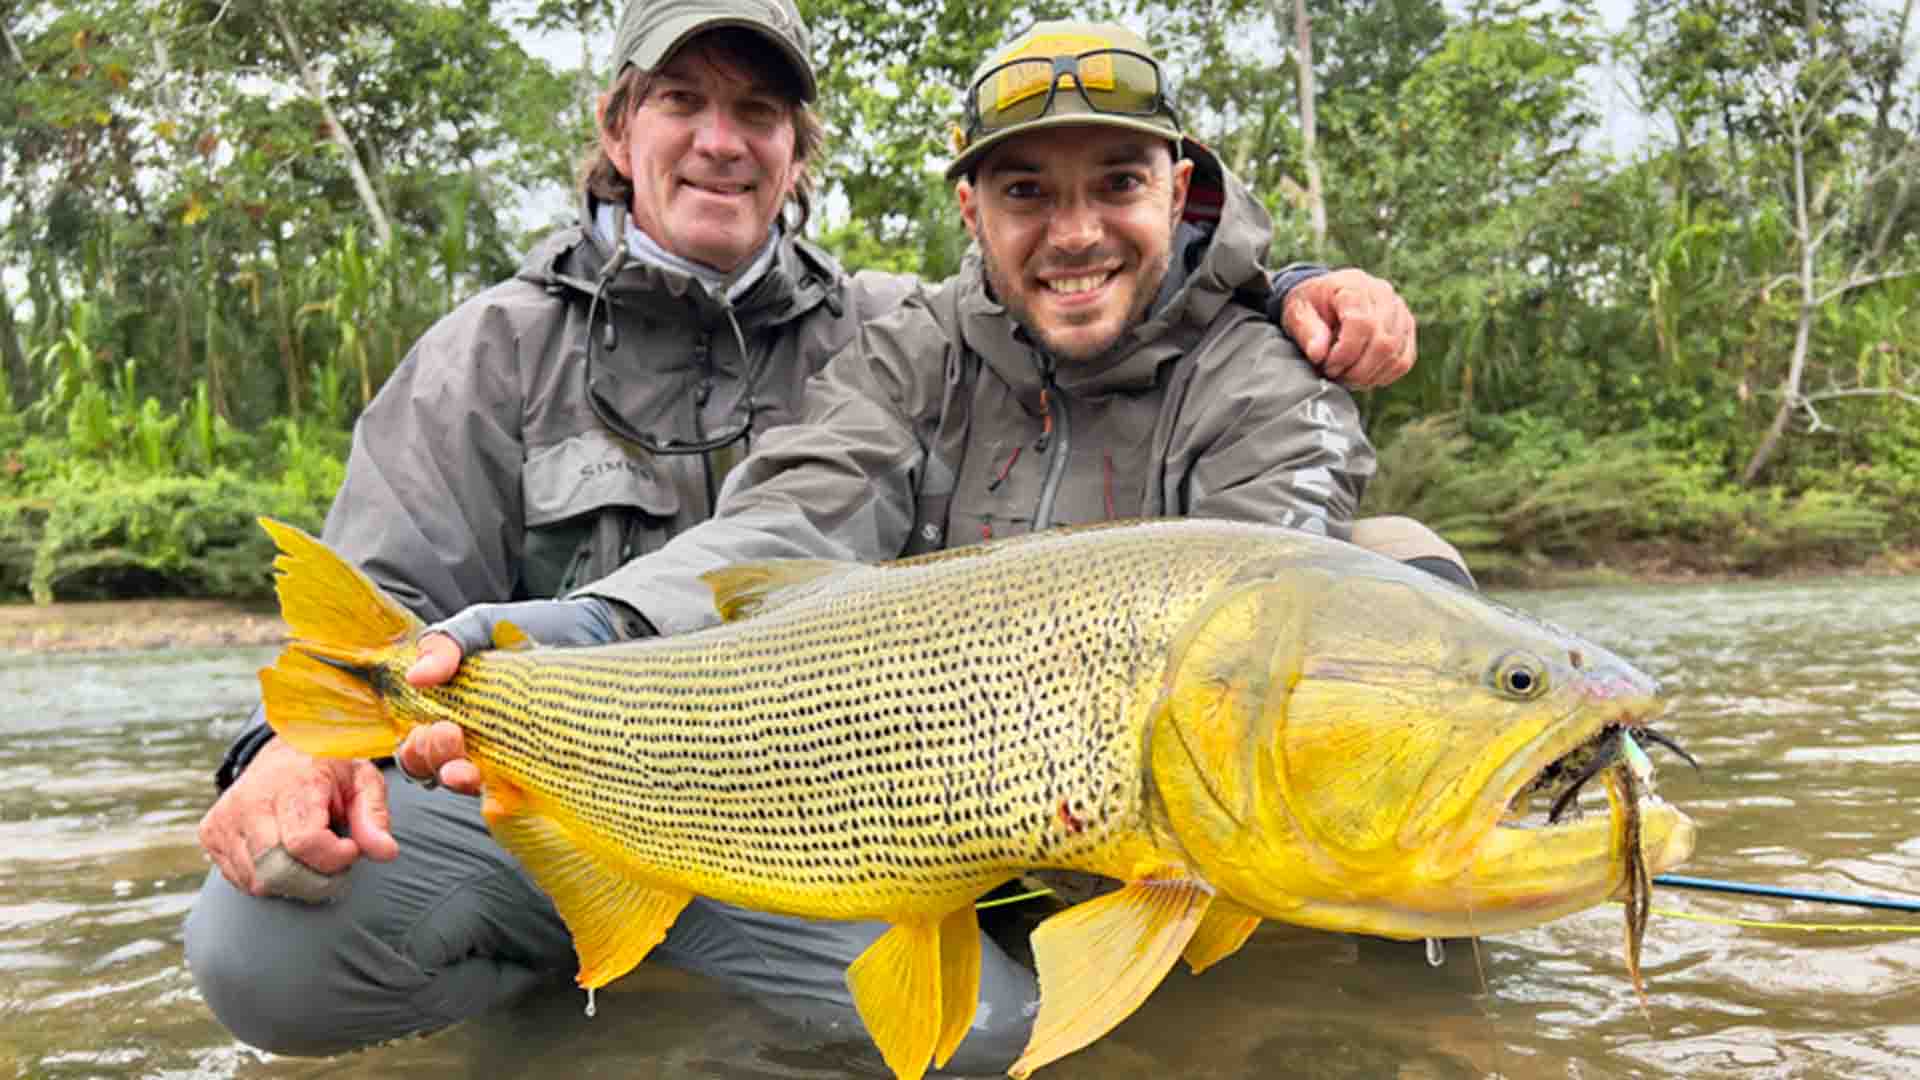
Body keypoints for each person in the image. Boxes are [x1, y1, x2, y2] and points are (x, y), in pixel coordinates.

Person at [185, 0, 1423, 1069]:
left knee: (1410, 571)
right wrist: (283, 747)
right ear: (617, 128)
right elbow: (379, 614)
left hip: (819, 805)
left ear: (796, 148)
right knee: (268, 952)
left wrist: (1284, 285)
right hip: (552, 775)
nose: (721, 141)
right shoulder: (489, 353)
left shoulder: (887, 327)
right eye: (682, 101)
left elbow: (1117, 310)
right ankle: (559, 992)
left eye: (759, 112)